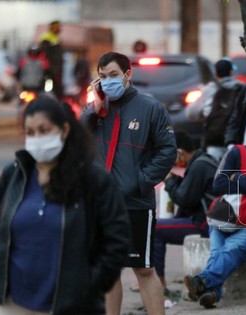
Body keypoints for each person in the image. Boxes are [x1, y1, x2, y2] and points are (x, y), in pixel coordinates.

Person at [0, 95, 130, 314]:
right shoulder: (14, 175)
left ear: (64, 130)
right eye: (30, 132)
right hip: (11, 303)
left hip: (69, 305)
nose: (37, 138)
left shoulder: (93, 180)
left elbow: (116, 240)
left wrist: (88, 286)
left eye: (44, 130)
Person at [80, 51, 177, 315]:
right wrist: (93, 109)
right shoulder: (96, 108)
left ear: (127, 75)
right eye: (102, 77)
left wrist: (140, 181)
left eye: (113, 75)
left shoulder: (150, 107)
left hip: (135, 202)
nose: (108, 81)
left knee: (144, 269)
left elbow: (168, 151)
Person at [184, 116, 246, 309]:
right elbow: (218, 184)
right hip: (225, 215)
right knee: (219, 251)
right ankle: (212, 291)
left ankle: (202, 282)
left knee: (230, 249)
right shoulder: (237, 152)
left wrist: (239, 179)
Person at [154, 131, 217, 292]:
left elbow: (185, 199)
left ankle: (158, 284)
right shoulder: (202, 161)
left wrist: (168, 181)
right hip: (205, 220)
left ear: (179, 152)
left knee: (155, 229)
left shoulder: (199, 166)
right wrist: (176, 181)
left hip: (203, 224)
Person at [186, 58, 243, 161]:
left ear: (216, 74)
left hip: (215, 139)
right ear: (231, 72)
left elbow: (191, 113)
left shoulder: (211, 89)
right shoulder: (241, 88)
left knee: (214, 169)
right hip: (237, 140)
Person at [39, 20, 63, 99]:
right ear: (52, 27)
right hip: (50, 69)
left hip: (56, 69)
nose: (59, 29)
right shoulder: (46, 38)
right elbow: (46, 55)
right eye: (57, 27)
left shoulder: (56, 38)